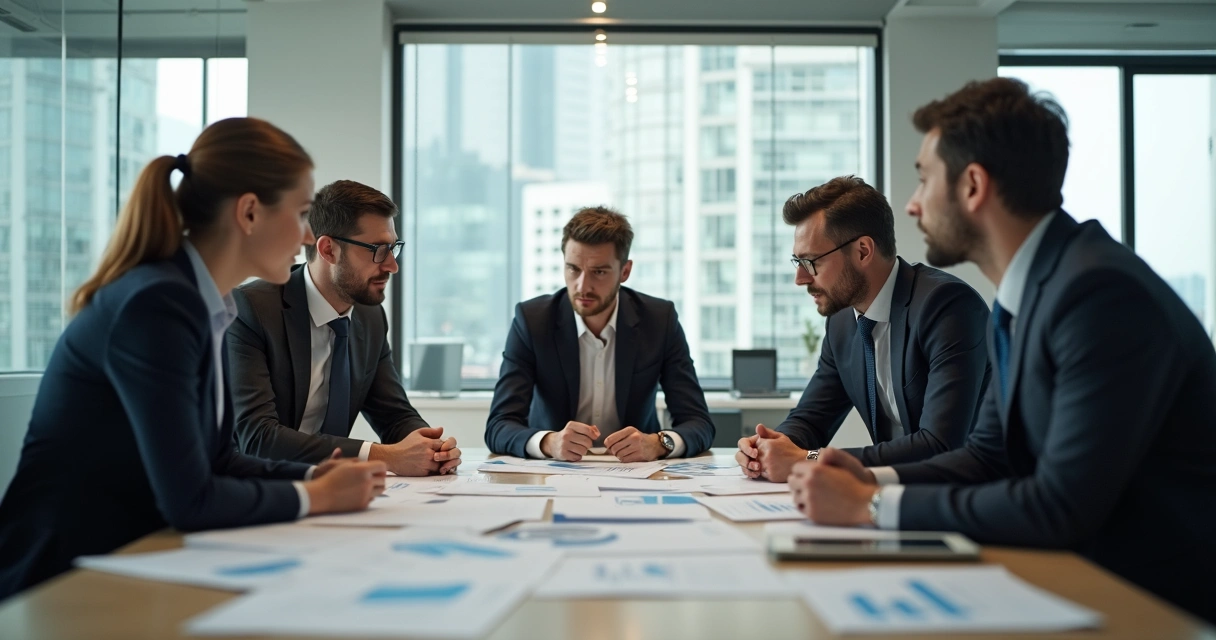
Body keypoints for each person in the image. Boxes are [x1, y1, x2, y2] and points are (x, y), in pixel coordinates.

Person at [788, 78, 1216, 623]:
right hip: (1072, 579)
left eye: (924, 180)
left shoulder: (1099, 294)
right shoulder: (1027, 293)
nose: (914, 206)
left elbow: (1058, 505)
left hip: (1146, 602)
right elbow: (987, 456)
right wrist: (863, 477)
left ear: (972, 185)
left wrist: (871, 505)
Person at [0, 118, 385, 600]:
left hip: (133, 558)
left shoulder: (203, 304)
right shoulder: (157, 304)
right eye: (302, 212)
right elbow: (191, 499)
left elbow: (218, 459)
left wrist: (313, 473)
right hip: (63, 579)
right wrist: (314, 496)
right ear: (249, 213)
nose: (309, 237)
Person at [735, 176, 990, 481]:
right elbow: (811, 419)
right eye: (797, 262)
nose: (800, 279)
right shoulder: (842, 322)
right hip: (892, 494)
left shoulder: (946, 306)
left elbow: (941, 445)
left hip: (973, 500)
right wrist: (768, 447)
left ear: (863, 251)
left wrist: (809, 459)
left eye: (811, 262)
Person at [228, 180, 460, 476]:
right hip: (252, 487)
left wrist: (431, 449)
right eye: (378, 250)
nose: (392, 265)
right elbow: (257, 438)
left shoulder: (370, 317)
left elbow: (394, 416)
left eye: (393, 248)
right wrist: (382, 456)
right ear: (328, 250)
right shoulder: (252, 310)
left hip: (331, 488)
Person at [485, 207, 713, 461]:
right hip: (554, 473)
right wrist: (549, 442)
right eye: (573, 269)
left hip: (637, 474)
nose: (583, 286)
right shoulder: (532, 320)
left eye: (599, 272)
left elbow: (698, 422)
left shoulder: (659, 320)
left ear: (624, 271)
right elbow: (499, 425)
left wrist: (659, 444)